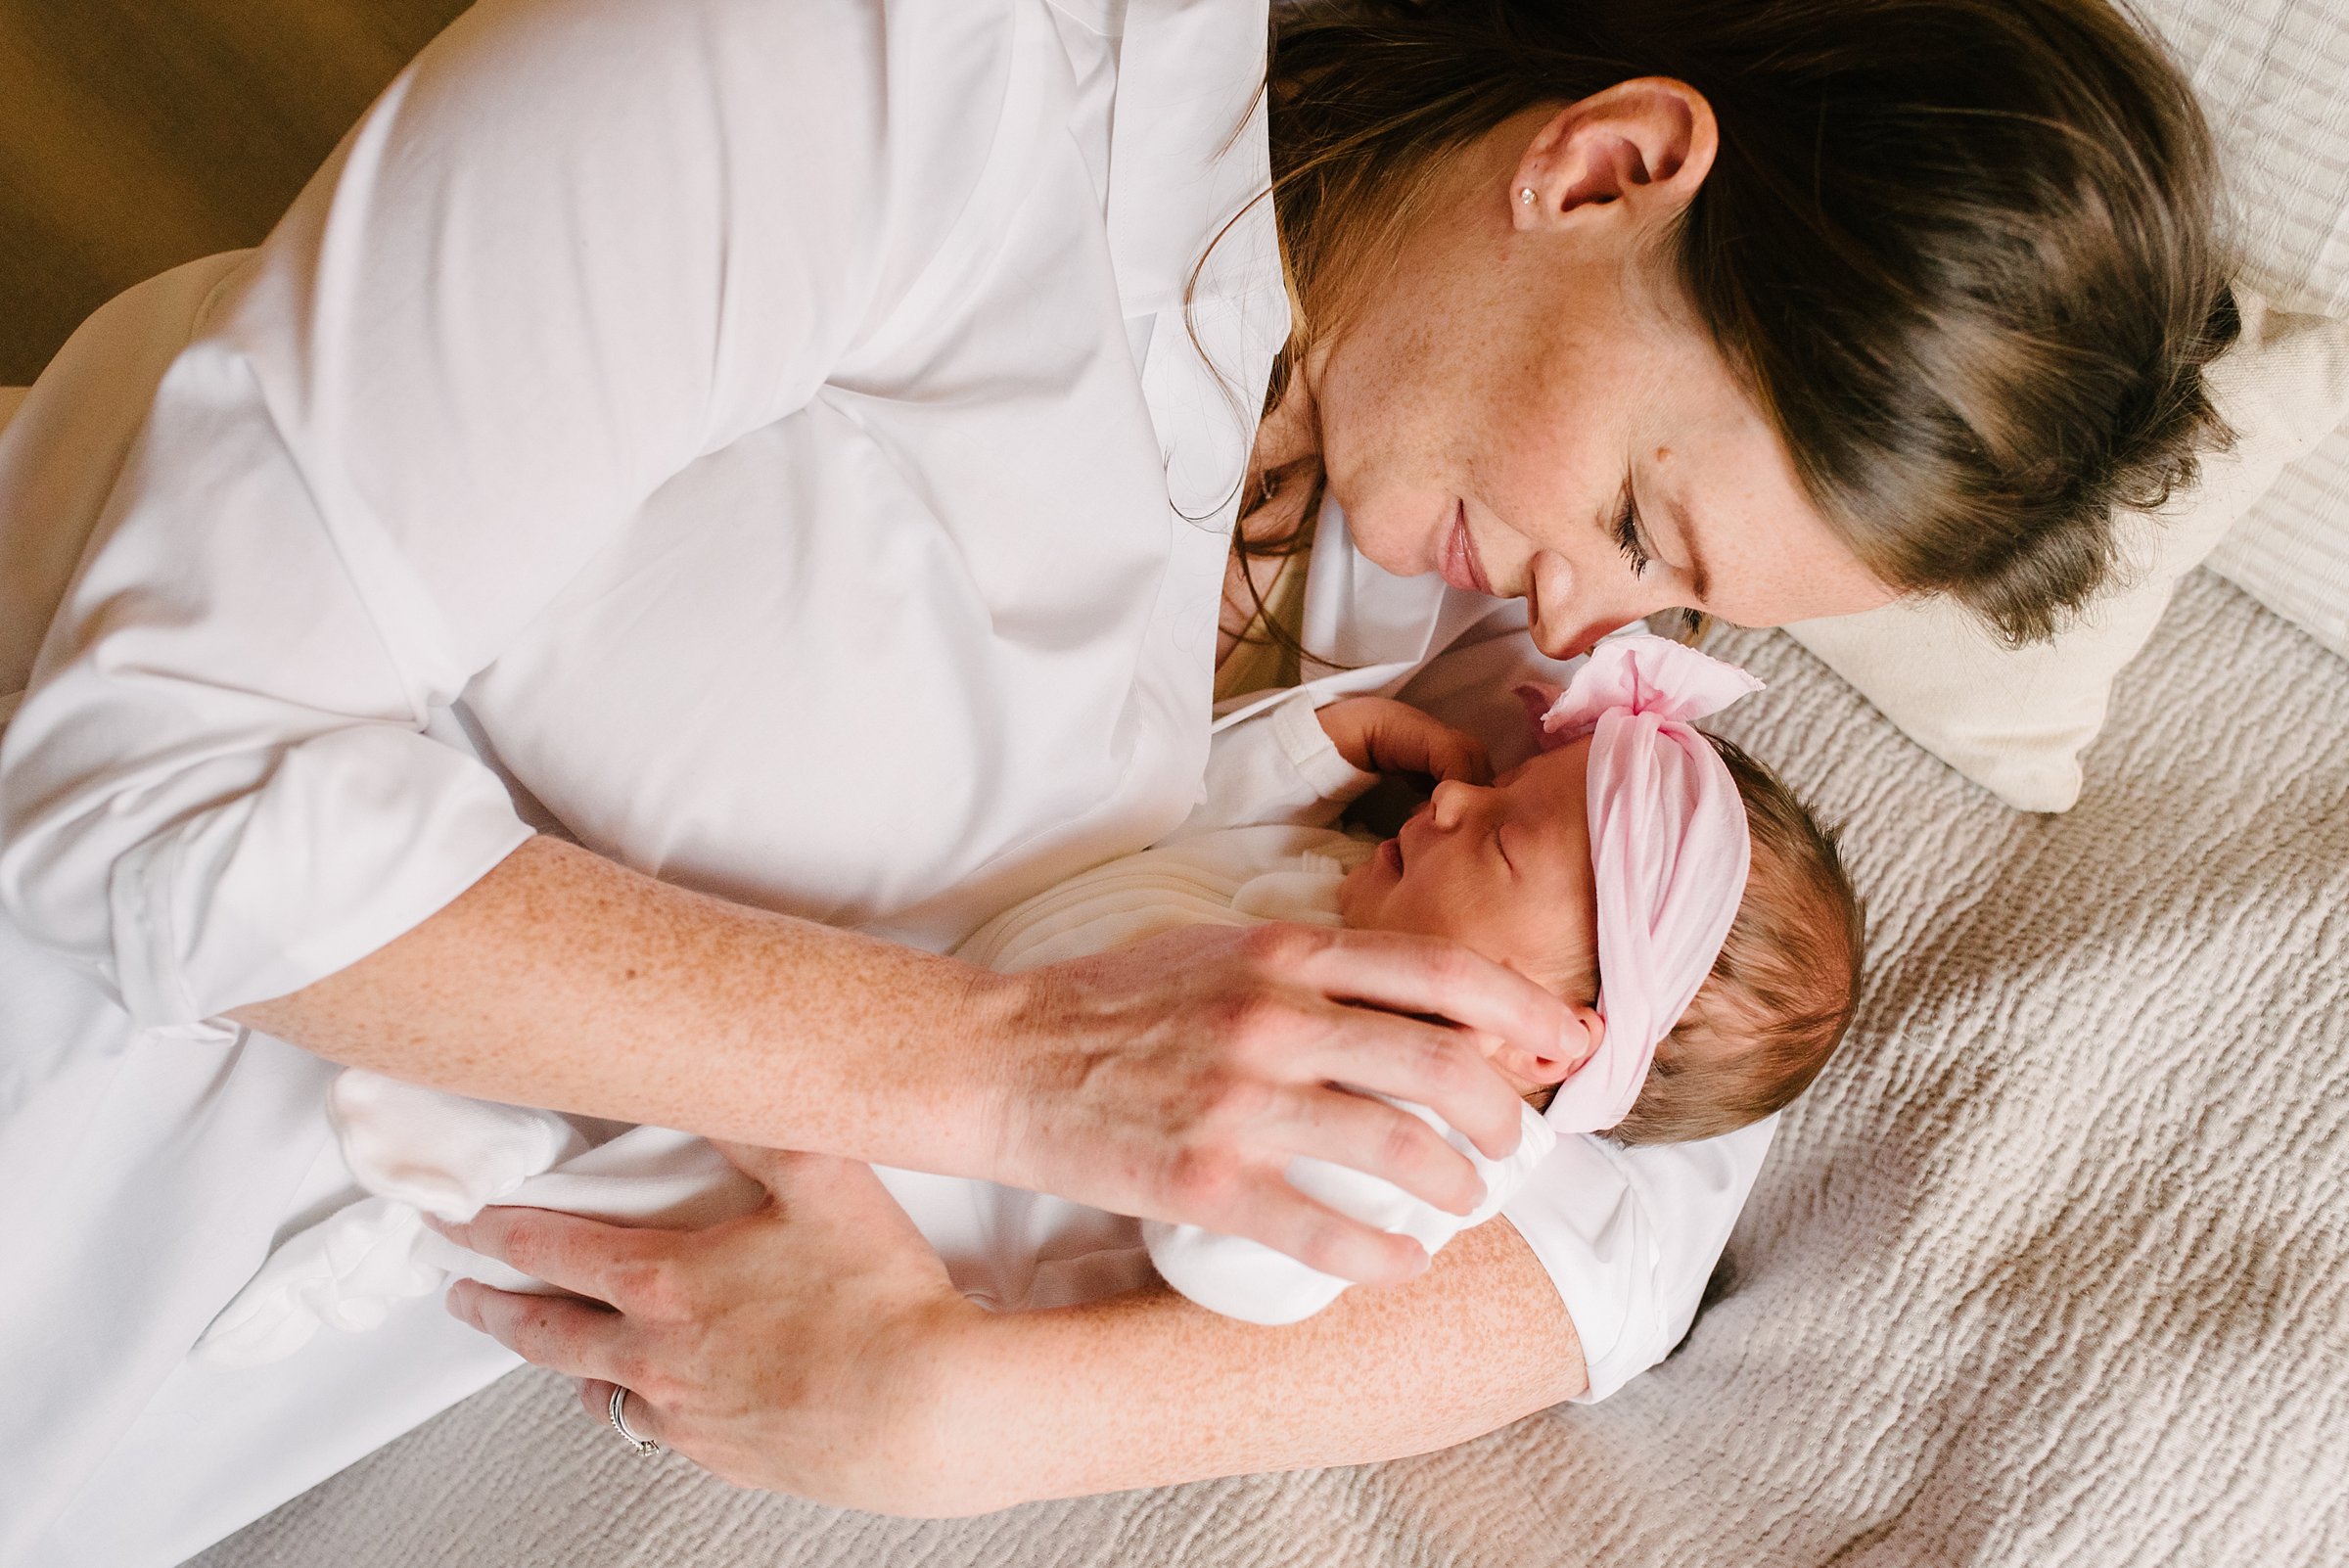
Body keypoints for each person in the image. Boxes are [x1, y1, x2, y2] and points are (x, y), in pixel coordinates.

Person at [0, 0, 2232, 1555]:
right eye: (1641, 524)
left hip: (153, 1419)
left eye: (1671, 603)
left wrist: (981, 1419)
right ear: (1607, 165)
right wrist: (1007, 1077)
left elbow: (1633, 1208)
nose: (1587, 629)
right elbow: (136, 788)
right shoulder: (883, 78)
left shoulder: (1455, 617)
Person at [197, 634, 1860, 1360]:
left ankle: (399, 1241)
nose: (1453, 800)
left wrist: (1436, 1133)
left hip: (935, 1194)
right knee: (686, 1008)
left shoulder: (1409, 1136)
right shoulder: (1341, 893)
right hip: (919, 1005)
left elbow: (1244, 1270)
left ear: (1546, 1036)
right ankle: (426, 1090)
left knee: (653, 1179)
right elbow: (1177, 826)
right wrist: (1308, 745)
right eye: (1494, 783)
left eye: (1498, 836)